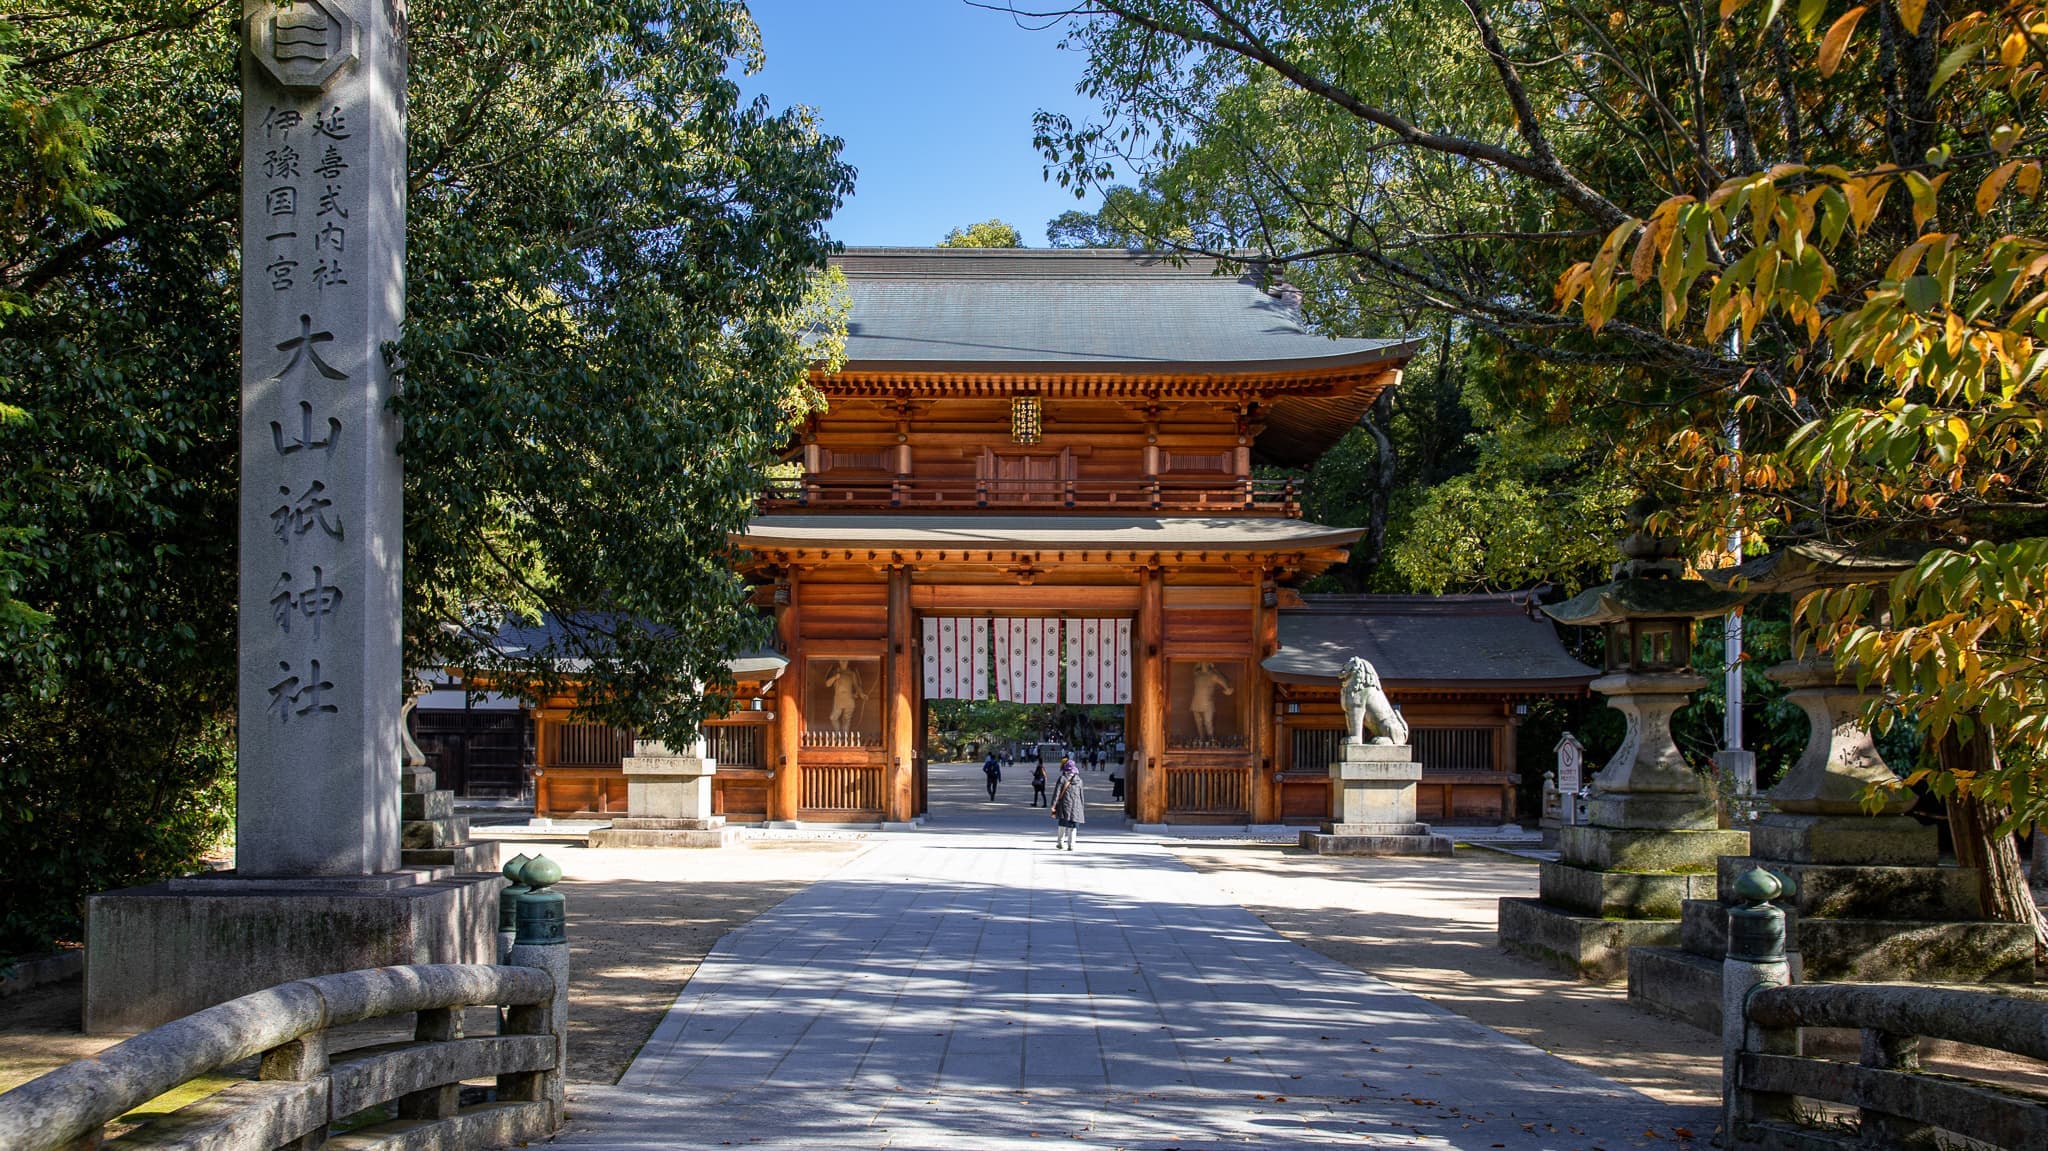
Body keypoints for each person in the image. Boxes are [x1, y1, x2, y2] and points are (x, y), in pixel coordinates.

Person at [1051, 758, 1085, 849]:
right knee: (1073, 825)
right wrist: (1082, 806)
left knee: (1062, 823)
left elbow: (1057, 793)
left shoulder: (1062, 778)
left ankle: (1060, 842)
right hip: (1076, 805)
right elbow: (1081, 795)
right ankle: (1071, 844)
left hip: (1064, 804)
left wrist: (1053, 805)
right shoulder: (1079, 780)